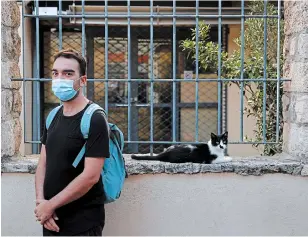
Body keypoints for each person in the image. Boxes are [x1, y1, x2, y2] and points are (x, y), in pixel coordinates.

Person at [34, 49, 110, 236]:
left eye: (68, 73)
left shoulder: (95, 118)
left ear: (82, 80)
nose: (60, 78)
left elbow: (91, 176)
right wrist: (41, 204)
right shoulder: (52, 116)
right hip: (50, 219)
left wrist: (49, 206)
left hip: (82, 223)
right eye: (55, 73)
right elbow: (43, 163)